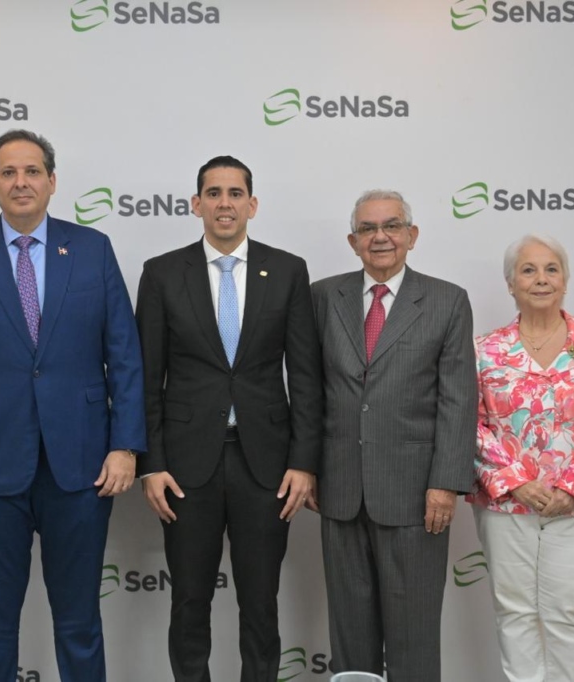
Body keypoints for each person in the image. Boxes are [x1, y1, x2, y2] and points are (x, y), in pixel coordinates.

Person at [0, 129, 146, 682]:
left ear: (52, 181)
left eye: (33, 171)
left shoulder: (92, 248)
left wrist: (125, 445)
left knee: (79, 621)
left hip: (83, 466)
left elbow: (125, 355)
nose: (22, 182)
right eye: (9, 172)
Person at [135, 155, 322, 682]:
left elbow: (305, 376)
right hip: (184, 467)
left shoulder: (287, 270)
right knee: (189, 602)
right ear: (196, 204)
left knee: (261, 604)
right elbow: (146, 379)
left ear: (252, 205)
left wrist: (304, 462)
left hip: (266, 465)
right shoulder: (162, 273)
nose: (224, 203)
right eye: (213, 193)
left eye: (235, 193)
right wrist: (152, 463)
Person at [311, 189, 477, 682]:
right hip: (340, 490)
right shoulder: (322, 297)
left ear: (412, 235)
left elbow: (458, 399)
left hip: (416, 496)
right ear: (352, 241)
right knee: (349, 636)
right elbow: (307, 389)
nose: (380, 237)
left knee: (413, 635)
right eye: (367, 228)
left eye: (392, 226)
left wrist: (445, 483)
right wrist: (308, 467)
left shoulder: (447, 300)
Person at [468, 234, 574, 682]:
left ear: (565, 280)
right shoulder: (484, 350)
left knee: (568, 611)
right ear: (510, 284)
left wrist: (571, 488)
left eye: (551, 269)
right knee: (514, 610)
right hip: (507, 504)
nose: (541, 279)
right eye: (528, 270)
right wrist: (516, 482)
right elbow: (470, 423)